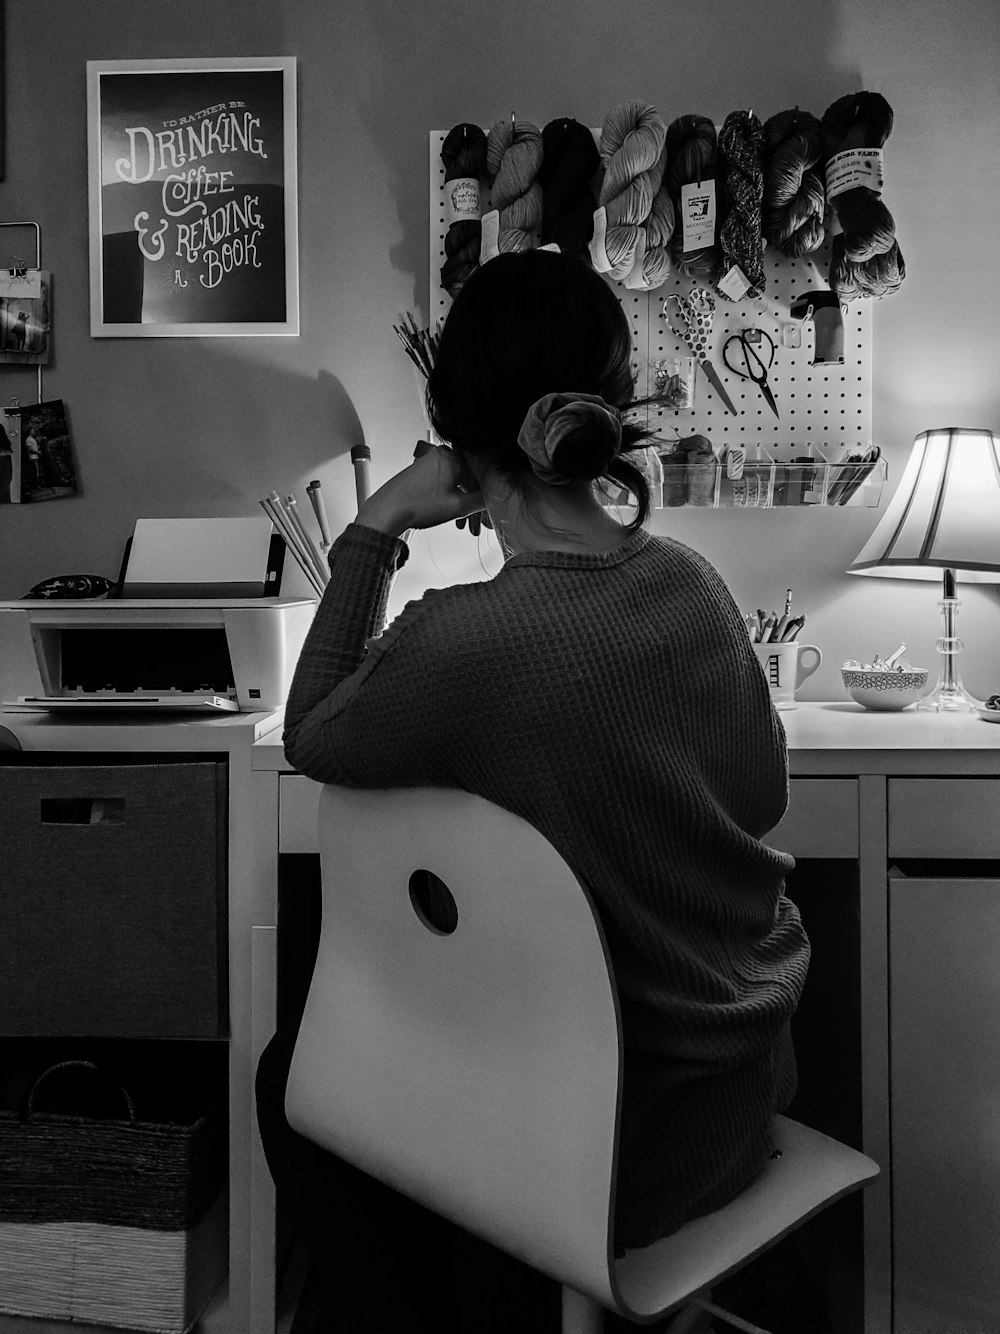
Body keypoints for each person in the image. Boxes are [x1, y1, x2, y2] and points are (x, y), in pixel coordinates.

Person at [256, 249, 811, 1332]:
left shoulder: (463, 644)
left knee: (294, 1070)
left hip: (604, 1145)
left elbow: (314, 733)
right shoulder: (692, 583)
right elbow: (762, 792)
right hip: (739, 1095)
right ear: (604, 413)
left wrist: (373, 527)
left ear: (456, 441)